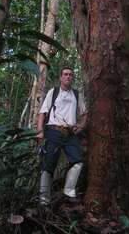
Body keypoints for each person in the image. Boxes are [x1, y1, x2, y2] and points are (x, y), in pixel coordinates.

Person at [37, 66, 88, 206]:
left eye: (71, 75)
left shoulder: (77, 94)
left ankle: (69, 191)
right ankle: (43, 200)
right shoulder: (53, 92)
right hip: (53, 131)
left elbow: (84, 113)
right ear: (61, 77)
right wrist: (40, 131)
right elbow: (42, 112)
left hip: (70, 133)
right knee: (48, 165)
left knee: (78, 161)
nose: (68, 77)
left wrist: (81, 125)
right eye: (65, 74)